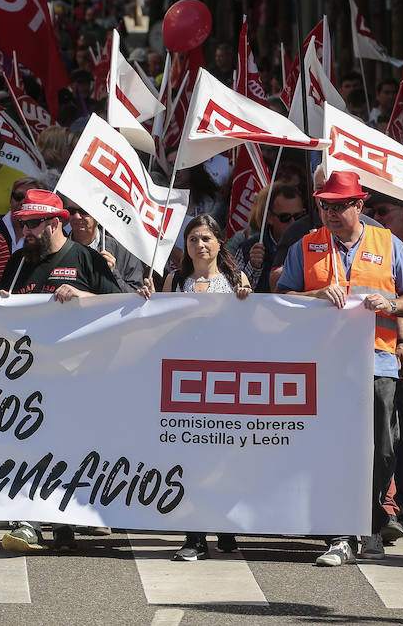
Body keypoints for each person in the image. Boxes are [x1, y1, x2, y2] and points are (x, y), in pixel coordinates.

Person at [274, 171, 403, 566]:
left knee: (384, 448)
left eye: (339, 206)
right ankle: (343, 531)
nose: (331, 213)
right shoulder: (305, 246)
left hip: (378, 360)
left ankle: (372, 520)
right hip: (326, 364)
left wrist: (391, 305)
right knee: (337, 447)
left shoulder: (388, 243)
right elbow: (282, 298)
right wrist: (316, 294)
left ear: (360, 205)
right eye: (325, 205)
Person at [0, 188, 122, 554]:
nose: (26, 231)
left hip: (77, 376)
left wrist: (83, 297)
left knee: (68, 447)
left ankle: (63, 518)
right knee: (28, 444)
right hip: (28, 373)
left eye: (33, 224)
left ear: (55, 223)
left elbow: (117, 306)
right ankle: (28, 519)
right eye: (22, 223)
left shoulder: (86, 259)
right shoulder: (19, 261)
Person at [136, 214, 251, 561]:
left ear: (219, 242)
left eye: (206, 238)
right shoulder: (175, 278)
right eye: (192, 240)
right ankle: (195, 536)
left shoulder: (235, 278)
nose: (200, 245)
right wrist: (150, 301)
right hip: (186, 381)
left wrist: (248, 298)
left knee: (223, 455)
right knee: (191, 455)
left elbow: (251, 329)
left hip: (225, 379)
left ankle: (226, 525)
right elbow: (163, 326)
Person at [234, 184, 307, 293]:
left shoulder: (315, 245)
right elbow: (234, 290)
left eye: (298, 216)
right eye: (285, 218)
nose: (293, 223)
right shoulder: (248, 249)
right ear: (269, 217)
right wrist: (253, 267)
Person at [64, 195, 144, 291]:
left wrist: (112, 275)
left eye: (84, 211)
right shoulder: (57, 248)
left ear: (98, 215)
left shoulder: (124, 251)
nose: (77, 216)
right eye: (71, 211)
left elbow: (136, 298)